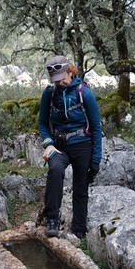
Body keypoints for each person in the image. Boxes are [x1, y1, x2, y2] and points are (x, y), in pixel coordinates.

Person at [38, 55, 102, 239]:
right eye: (55, 80)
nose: (60, 83)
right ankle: (52, 220)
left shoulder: (84, 93)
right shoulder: (49, 94)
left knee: (80, 187)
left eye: (62, 79)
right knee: (55, 171)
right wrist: (48, 144)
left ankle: (79, 231)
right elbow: (42, 123)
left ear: (70, 71)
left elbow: (96, 127)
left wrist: (96, 159)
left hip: (83, 145)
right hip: (59, 146)